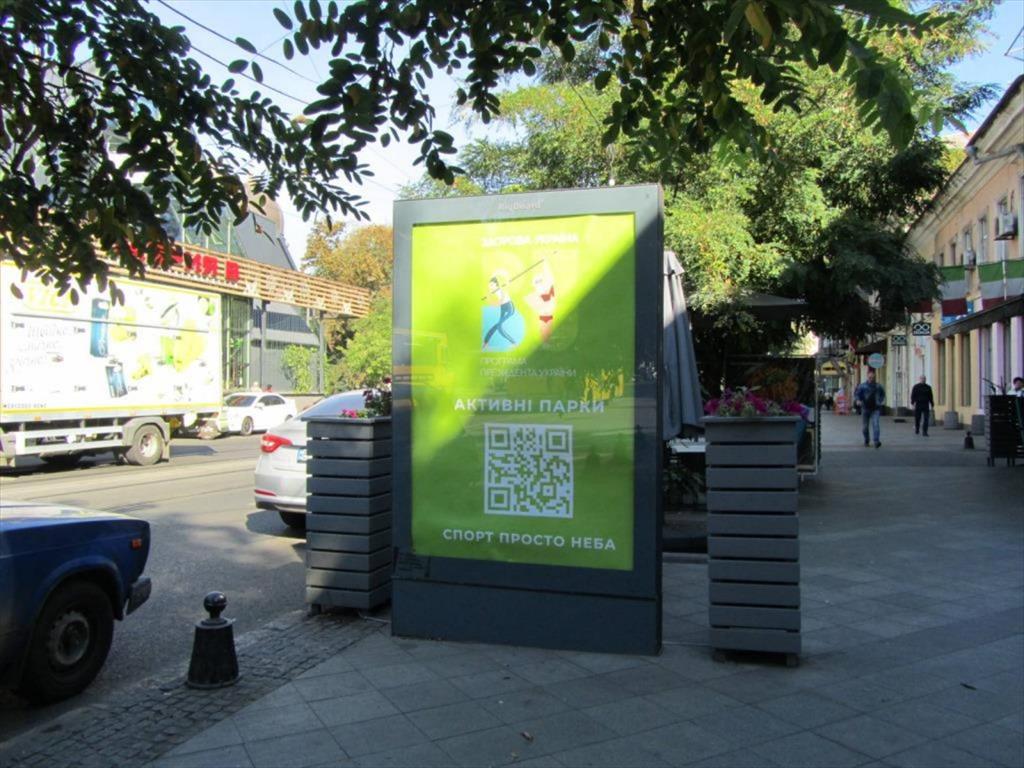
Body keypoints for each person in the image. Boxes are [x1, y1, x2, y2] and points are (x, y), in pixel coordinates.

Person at [854, 368, 886, 448]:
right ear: (867, 376)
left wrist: (880, 401)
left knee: (876, 425)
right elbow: (857, 394)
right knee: (865, 427)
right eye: (870, 377)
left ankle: (876, 441)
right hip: (865, 408)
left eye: (872, 377)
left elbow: (883, 394)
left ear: (874, 376)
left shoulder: (878, 386)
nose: (871, 379)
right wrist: (858, 400)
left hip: (875, 409)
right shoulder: (862, 386)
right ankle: (866, 440)